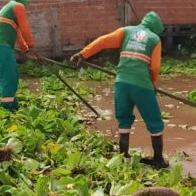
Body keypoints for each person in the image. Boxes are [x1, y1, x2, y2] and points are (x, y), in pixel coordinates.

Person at [70, 11, 168, 169]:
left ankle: (124, 157)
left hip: (121, 83)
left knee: (123, 119)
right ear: (155, 28)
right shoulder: (154, 39)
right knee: (154, 121)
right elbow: (155, 67)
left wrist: (83, 54)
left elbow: (102, 41)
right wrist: (152, 83)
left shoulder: (126, 31)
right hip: (142, 85)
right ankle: (158, 160)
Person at [0, 0, 35, 111]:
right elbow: (25, 28)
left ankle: (13, 104)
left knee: (13, 75)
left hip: (0, 47)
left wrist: (25, 50)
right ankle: (6, 108)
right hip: (1, 47)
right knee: (8, 77)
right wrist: (31, 46)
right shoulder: (18, 6)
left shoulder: (9, 8)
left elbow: (18, 34)